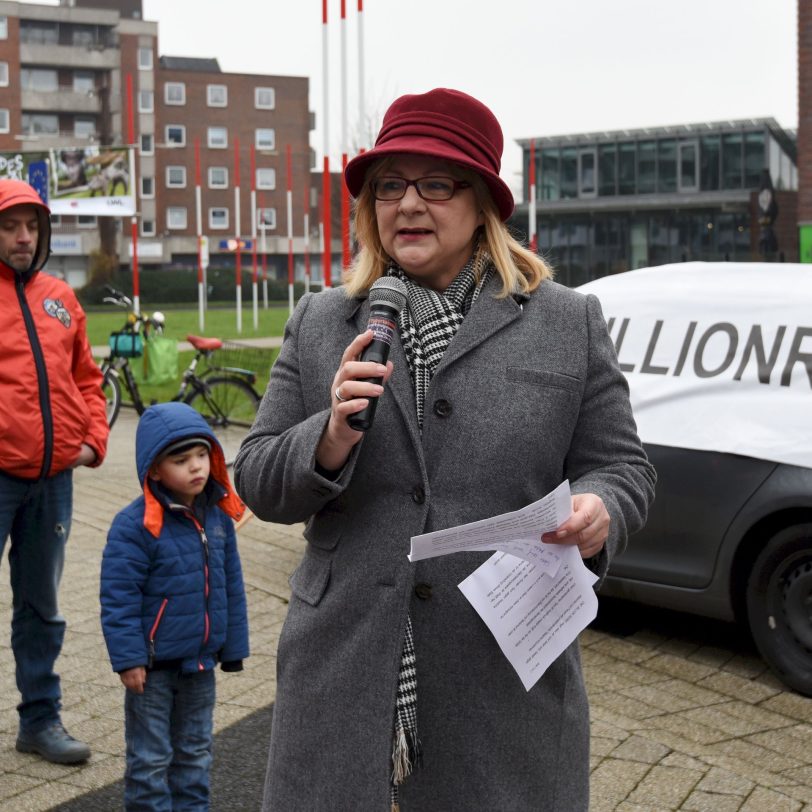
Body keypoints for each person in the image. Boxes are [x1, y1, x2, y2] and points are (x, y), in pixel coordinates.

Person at [234, 88, 656, 811]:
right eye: (390, 185)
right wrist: (330, 435)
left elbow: (624, 467)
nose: (408, 204)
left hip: (502, 671)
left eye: (437, 183)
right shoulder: (321, 321)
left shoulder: (567, 320)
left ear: (484, 201)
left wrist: (600, 507)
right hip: (344, 669)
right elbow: (257, 476)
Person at [0, 178, 109, 764]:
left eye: (32, 226)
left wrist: (93, 441)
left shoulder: (61, 298)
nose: (23, 237)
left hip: (53, 484)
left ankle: (39, 722)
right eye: (10, 226)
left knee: (41, 607)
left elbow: (87, 380)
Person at [100, 401, 250, 810]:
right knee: (149, 762)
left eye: (203, 455)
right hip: (152, 670)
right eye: (181, 459)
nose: (196, 466)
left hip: (201, 666)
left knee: (195, 755)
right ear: (154, 469)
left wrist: (233, 647)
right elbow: (119, 597)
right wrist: (128, 658)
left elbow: (231, 585)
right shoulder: (134, 527)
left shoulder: (217, 517)